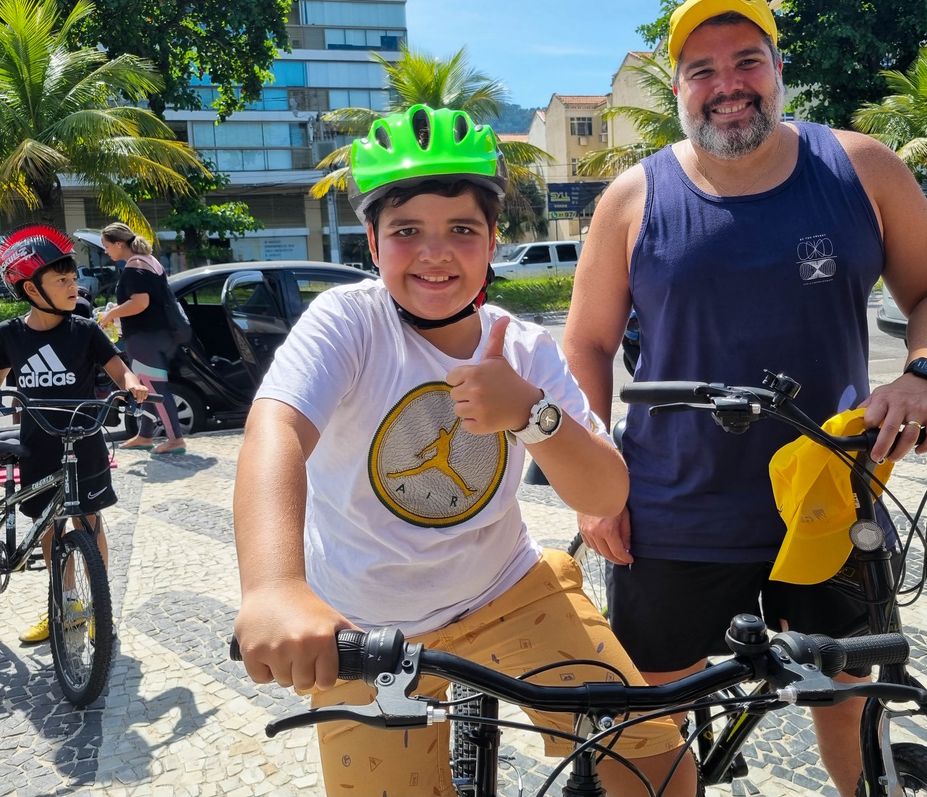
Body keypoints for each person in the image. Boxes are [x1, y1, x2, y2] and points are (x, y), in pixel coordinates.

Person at [562, 0, 927, 797]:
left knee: (849, 706)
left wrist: (925, 373)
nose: (728, 85)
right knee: (652, 725)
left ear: (779, 69)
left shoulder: (860, 167)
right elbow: (586, 341)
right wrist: (591, 485)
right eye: (702, 69)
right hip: (673, 512)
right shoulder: (633, 197)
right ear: (678, 89)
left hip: (831, 499)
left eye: (747, 60)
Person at [233, 104, 696, 797]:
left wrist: (530, 414)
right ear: (372, 241)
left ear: (492, 240)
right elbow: (275, 431)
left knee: (656, 761)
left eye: (462, 229)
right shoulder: (349, 321)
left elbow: (606, 493)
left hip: (505, 587)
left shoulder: (524, 348)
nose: (435, 252)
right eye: (406, 231)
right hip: (364, 624)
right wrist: (274, 587)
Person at [0, 225, 148, 644]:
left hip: (85, 440)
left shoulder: (85, 329)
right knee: (49, 526)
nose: (73, 286)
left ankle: (98, 608)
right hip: (38, 444)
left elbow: (119, 369)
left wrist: (132, 384)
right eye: (61, 280)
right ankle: (66, 603)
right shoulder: (11, 333)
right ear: (31, 288)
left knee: (89, 520)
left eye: (73, 278)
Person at [97, 223, 187, 455]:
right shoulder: (149, 261)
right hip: (158, 336)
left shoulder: (134, 267)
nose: (105, 250)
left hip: (144, 338)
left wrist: (111, 314)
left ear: (119, 244)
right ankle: (145, 435)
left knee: (155, 388)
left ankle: (176, 440)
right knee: (146, 386)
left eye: (107, 246)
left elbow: (140, 303)